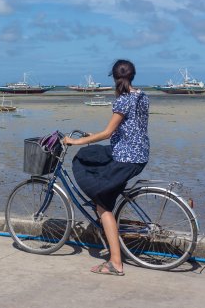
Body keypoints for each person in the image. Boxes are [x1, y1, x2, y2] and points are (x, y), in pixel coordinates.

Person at [63, 59, 149, 276]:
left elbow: (109, 132)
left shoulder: (123, 100)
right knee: (92, 154)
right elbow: (125, 129)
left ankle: (115, 262)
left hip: (126, 157)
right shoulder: (142, 95)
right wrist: (92, 137)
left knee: (102, 205)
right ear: (133, 75)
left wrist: (76, 142)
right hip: (138, 153)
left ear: (113, 77)